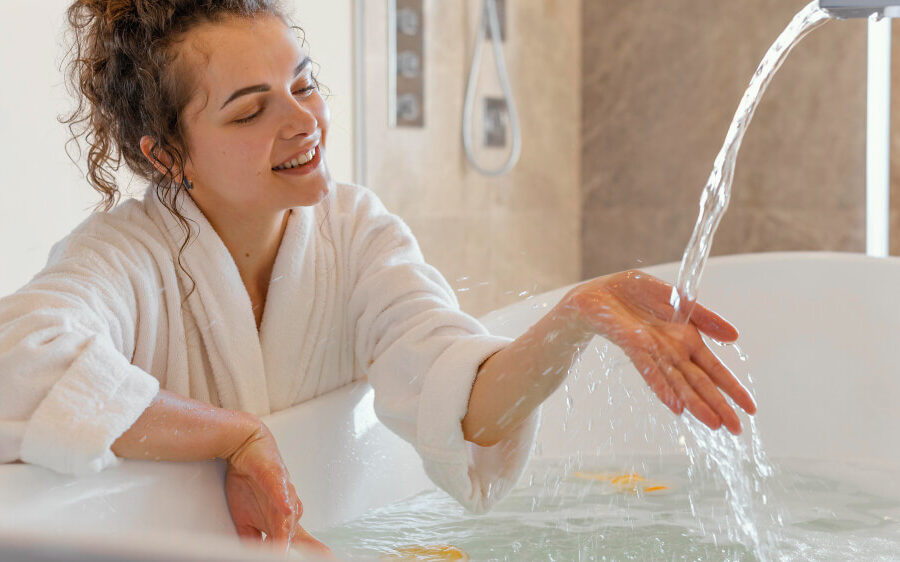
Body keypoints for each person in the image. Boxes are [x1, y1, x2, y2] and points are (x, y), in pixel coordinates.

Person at [0, 0, 757, 555]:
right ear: (167, 155)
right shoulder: (127, 256)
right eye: (250, 112)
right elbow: (19, 359)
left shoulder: (355, 234)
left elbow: (460, 400)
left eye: (303, 85)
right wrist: (233, 436)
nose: (303, 122)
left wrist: (572, 320)